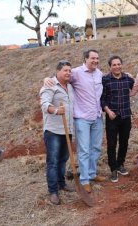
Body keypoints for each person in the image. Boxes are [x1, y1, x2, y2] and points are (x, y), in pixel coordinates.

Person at [44, 49, 106, 193]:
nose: (95, 61)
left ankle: (92, 173)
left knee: (96, 148)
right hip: (82, 118)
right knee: (84, 150)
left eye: (97, 58)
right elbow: (60, 79)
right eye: (92, 58)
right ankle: (84, 180)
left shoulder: (99, 74)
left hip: (97, 117)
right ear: (85, 59)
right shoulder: (76, 73)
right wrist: (48, 78)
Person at [40, 60, 75, 205]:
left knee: (63, 159)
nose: (68, 73)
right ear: (58, 71)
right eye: (65, 70)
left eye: (69, 71)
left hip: (67, 130)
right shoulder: (49, 85)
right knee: (53, 162)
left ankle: (62, 183)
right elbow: (44, 104)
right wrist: (55, 110)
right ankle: (53, 191)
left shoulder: (70, 86)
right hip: (53, 131)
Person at [101, 56, 134, 183]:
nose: (117, 67)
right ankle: (113, 168)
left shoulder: (127, 79)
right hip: (112, 117)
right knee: (112, 143)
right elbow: (102, 99)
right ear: (110, 67)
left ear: (121, 65)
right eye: (114, 65)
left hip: (126, 116)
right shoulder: (105, 80)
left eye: (119, 64)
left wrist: (134, 78)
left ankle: (120, 164)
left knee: (124, 141)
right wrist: (108, 111)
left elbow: (137, 86)